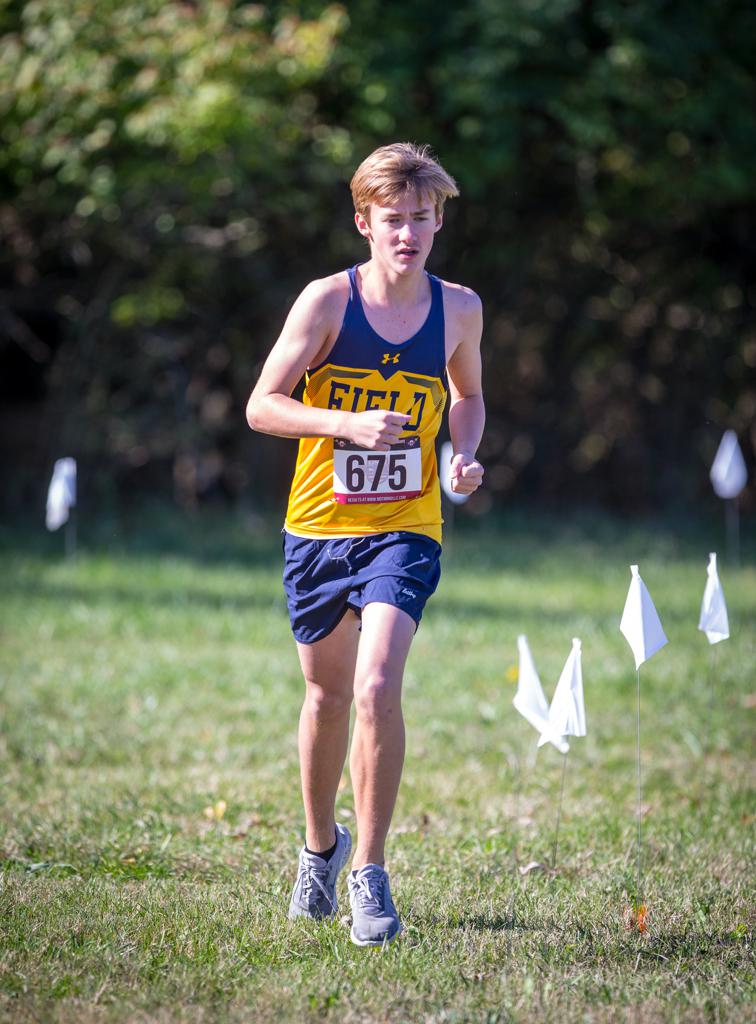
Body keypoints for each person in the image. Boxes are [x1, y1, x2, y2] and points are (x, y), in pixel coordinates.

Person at [246, 142, 485, 946]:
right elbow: (262, 406)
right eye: (393, 220)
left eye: (422, 219)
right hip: (318, 525)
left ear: (439, 221)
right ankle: (321, 847)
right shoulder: (325, 304)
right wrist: (343, 421)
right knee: (327, 697)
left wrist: (465, 451)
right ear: (364, 223)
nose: (408, 233)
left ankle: (370, 873)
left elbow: (470, 394)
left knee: (380, 683)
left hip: (406, 523)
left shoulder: (459, 309)